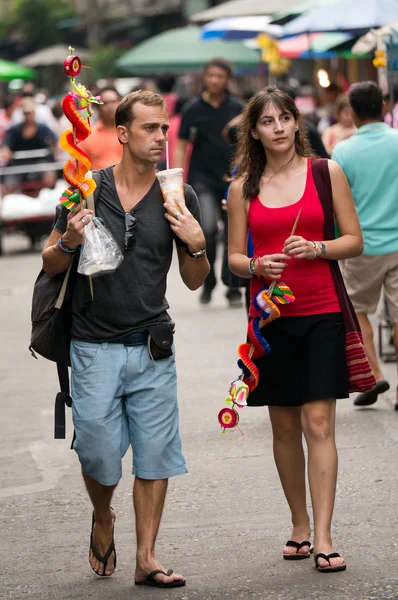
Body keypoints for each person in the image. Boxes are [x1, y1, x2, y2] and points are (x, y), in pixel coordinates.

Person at [41, 90, 209, 587]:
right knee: (96, 451)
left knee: (155, 453)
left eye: (164, 129)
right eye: (150, 129)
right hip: (92, 347)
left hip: (154, 344)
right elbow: (51, 263)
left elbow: (194, 279)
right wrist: (70, 239)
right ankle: (103, 514)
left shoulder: (177, 194)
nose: (161, 137)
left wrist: (197, 244)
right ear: (121, 133)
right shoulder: (86, 188)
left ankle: (147, 556)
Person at [228, 86, 363, 572]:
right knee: (283, 426)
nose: (279, 127)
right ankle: (300, 525)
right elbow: (235, 261)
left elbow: (354, 240)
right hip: (270, 320)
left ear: (297, 123)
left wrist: (319, 249)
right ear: (255, 131)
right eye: (268, 121)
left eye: (285, 117)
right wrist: (258, 262)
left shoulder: (327, 173)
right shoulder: (242, 186)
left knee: (319, 422)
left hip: (323, 311)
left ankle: (325, 535)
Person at [332, 81, 398, 410]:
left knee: (359, 310)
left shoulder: (343, 151)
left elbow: (335, 203)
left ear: (353, 113)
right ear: (384, 107)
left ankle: (373, 373)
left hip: (363, 246)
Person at [173, 57, 244, 307]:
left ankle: (233, 286)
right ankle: (209, 280)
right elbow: (181, 144)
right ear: (204, 78)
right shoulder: (192, 108)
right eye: (210, 75)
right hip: (201, 177)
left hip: (233, 178)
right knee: (209, 230)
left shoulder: (238, 108)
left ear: (228, 80)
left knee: (234, 229)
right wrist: (177, 178)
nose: (214, 80)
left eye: (220, 76)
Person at [78, 86, 123, 170]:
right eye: (105, 103)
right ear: (97, 108)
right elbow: (80, 168)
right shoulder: (88, 136)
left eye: (114, 102)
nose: (110, 106)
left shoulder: (129, 133)